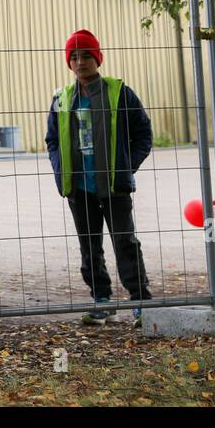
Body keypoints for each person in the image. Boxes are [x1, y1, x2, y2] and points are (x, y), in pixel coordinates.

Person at [45, 29, 154, 325]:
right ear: (69, 62)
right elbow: (52, 140)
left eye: (86, 55)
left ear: (98, 58)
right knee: (89, 245)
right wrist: (61, 172)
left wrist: (125, 167)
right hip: (79, 187)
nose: (81, 62)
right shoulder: (62, 98)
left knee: (125, 241)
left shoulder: (119, 93)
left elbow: (143, 134)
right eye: (75, 56)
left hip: (114, 185)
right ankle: (102, 299)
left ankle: (141, 301)